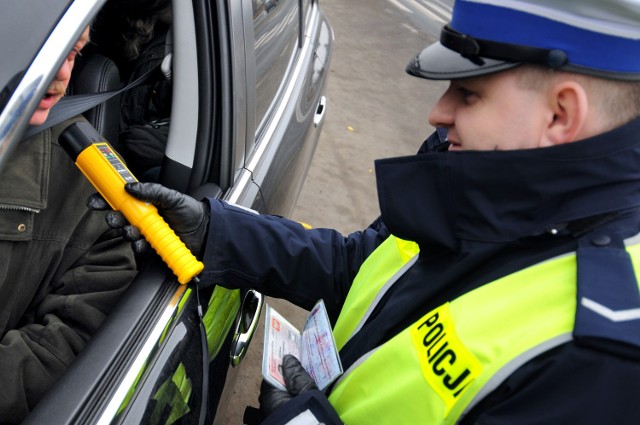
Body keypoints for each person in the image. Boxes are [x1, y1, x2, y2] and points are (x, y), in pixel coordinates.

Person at [98, 0, 640, 423]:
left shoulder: (601, 358)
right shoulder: (488, 183)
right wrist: (217, 230)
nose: (437, 112)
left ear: (561, 113)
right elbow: (362, 266)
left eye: (468, 94)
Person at [0, 27, 137, 423]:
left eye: (74, 53)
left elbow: (77, 332)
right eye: (48, 49)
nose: (62, 73)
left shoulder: (91, 177)